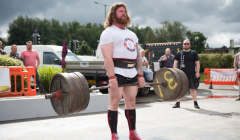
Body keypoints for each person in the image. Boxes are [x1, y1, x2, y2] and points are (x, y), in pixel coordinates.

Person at [100, 3, 145, 140]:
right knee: (114, 102)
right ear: (113, 14)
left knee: (131, 101)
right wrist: (112, 77)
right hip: (117, 71)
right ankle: (114, 135)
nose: (123, 13)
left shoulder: (132, 34)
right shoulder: (108, 32)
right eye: (120, 11)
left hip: (132, 72)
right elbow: (107, 57)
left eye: (125, 11)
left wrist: (141, 74)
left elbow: (138, 56)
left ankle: (132, 132)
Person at [172, 39, 200, 109]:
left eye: (187, 44)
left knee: (192, 89)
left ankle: (195, 103)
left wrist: (197, 72)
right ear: (183, 45)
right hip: (181, 74)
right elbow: (175, 63)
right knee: (180, 89)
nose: (186, 45)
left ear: (190, 44)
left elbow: (197, 63)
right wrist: (175, 72)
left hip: (191, 74)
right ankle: (178, 103)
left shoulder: (194, 53)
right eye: (185, 44)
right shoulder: (179, 53)